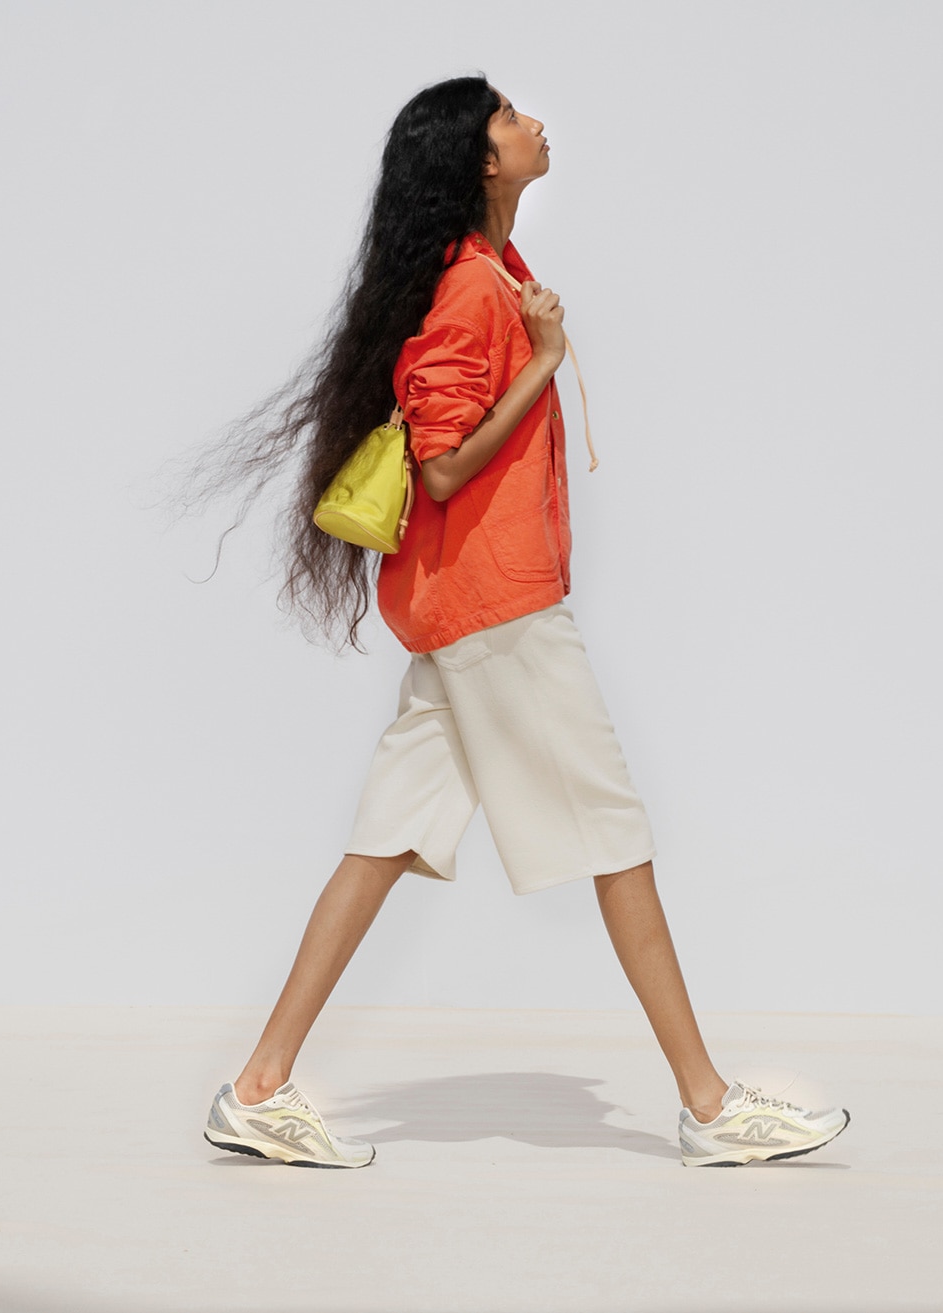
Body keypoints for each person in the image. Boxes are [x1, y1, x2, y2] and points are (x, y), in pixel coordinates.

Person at [177, 76, 849, 1169]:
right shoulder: (471, 290)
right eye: (506, 115)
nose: (533, 121)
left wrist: (532, 344)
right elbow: (442, 465)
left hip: (463, 611)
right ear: (480, 162)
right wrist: (540, 361)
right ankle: (711, 1104)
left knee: (384, 841)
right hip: (498, 610)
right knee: (616, 834)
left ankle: (257, 1088)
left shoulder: (494, 271)